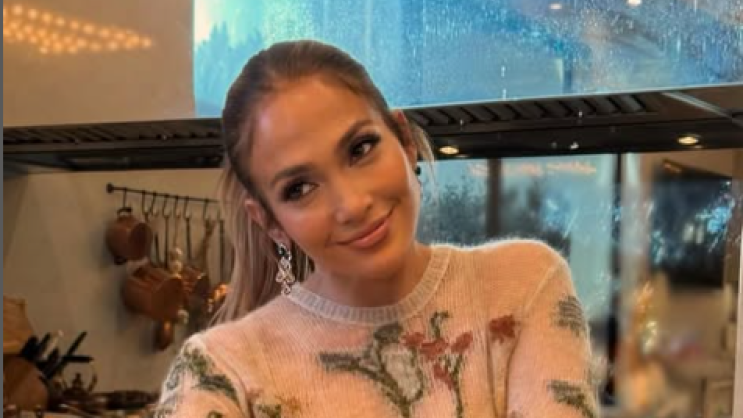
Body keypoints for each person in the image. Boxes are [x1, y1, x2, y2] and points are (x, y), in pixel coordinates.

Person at [154, 40, 597, 418]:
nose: (352, 204)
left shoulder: (522, 286)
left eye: (360, 149)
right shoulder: (219, 371)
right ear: (269, 221)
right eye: (300, 188)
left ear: (404, 140)